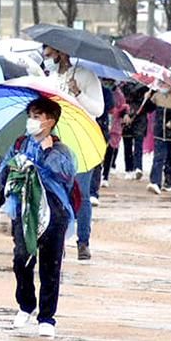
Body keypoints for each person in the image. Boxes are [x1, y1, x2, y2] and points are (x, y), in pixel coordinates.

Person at [0, 97, 77, 339]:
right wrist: (16, 167)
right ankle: (25, 303)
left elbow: (66, 175)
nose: (32, 121)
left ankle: (47, 317)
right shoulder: (20, 144)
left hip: (54, 211)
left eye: (38, 116)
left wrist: (46, 155)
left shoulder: (61, 149)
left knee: (50, 264)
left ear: (50, 121)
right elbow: (3, 173)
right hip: (24, 210)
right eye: (30, 115)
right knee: (21, 258)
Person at [42, 45, 103, 260]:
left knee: (81, 193)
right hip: (57, 143)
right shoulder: (49, 79)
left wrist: (78, 93)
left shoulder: (86, 76)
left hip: (81, 141)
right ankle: (59, 240)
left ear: (61, 52)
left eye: (49, 55)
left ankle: (83, 241)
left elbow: (98, 110)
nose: (46, 59)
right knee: (58, 193)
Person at [120, 81, 150, 180]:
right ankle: (129, 169)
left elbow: (150, 107)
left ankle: (138, 167)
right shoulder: (123, 87)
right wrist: (124, 114)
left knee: (138, 144)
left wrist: (148, 98)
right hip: (127, 119)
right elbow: (120, 103)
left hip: (140, 119)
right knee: (127, 144)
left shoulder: (146, 88)